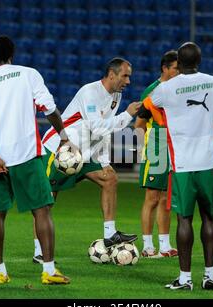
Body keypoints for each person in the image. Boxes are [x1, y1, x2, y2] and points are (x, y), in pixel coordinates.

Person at [0, 35, 70, 285]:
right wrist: (64, 137)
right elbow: (49, 109)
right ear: (11, 54)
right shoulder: (28, 74)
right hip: (26, 155)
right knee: (42, 211)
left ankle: (0, 272)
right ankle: (48, 270)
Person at [32, 58, 141, 263]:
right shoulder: (89, 92)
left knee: (110, 178)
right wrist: (127, 115)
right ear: (111, 74)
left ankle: (110, 235)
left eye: (129, 76)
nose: (128, 81)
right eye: (125, 76)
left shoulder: (116, 96)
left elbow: (103, 133)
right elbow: (98, 127)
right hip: (61, 150)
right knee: (47, 201)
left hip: (86, 153)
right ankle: (39, 251)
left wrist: (105, 161)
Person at [142, 42, 213, 291]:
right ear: (199, 59)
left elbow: (150, 103)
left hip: (183, 162)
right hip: (210, 160)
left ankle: (185, 279)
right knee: (210, 218)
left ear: (178, 62)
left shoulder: (167, 88)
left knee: (184, 219)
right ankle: (210, 275)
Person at [135, 50, 179, 258]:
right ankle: (147, 245)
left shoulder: (178, 90)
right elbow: (139, 124)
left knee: (165, 199)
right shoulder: (152, 91)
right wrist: (147, 148)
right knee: (152, 197)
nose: (179, 72)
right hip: (157, 145)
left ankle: (165, 245)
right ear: (165, 68)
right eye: (175, 68)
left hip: (173, 146)